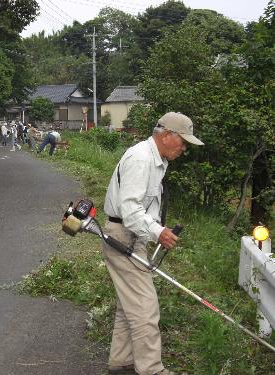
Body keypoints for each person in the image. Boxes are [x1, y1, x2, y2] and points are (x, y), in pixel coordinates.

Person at [102, 112, 204, 375]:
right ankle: (152, 370)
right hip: (122, 235)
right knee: (146, 308)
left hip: (132, 234)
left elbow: (143, 210)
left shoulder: (156, 160)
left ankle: (121, 361)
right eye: (183, 141)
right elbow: (130, 209)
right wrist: (158, 232)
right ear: (166, 135)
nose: (184, 148)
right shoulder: (141, 158)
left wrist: (155, 230)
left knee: (130, 305)